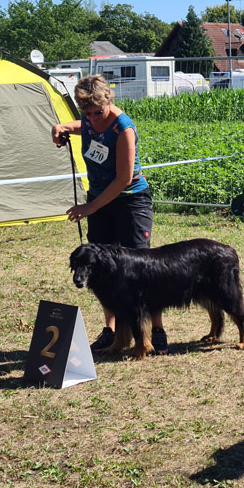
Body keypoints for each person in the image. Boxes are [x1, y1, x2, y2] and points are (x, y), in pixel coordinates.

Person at [51, 75, 168, 354]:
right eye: (87, 113)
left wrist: (89, 207)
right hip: (100, 202)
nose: (93, 118)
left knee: (141, 269)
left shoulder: (123, 128)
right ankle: (111, 331)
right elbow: (83, 126)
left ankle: (157, 329)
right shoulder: (90, 121)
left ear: (109, 102)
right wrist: (62, 126)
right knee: (103, 269)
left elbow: (124, 179)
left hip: (130, 201)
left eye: (98, 112)